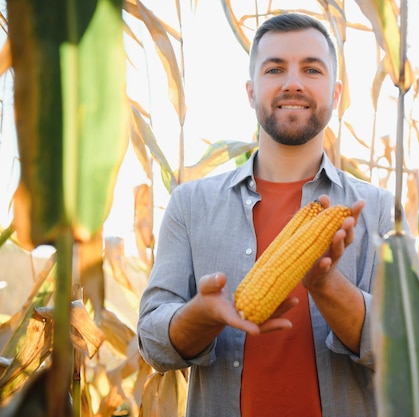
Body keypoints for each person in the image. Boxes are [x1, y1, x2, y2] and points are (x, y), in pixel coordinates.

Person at [137, 12, 401, 417]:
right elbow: (154, 344)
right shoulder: (190, 205)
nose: (292, 82)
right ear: (250, 90)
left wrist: (326, 285)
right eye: (275, 68)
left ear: (335, 93)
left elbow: (401, 349)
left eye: (311, 69)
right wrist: (201, 316)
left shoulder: (379, 209)